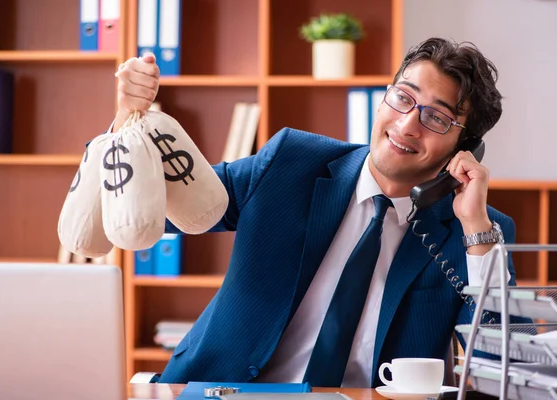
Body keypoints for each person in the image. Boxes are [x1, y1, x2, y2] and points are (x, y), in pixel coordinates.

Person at [112, 37, 519, 388]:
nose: (407, 124)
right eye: (403, 97)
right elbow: (153, 210)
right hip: (223, 391)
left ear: (465, 146)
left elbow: (504, 366)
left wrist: (475, 230)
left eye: (437, 117)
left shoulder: (477, 231)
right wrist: (127, 124)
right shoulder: (289, 164)